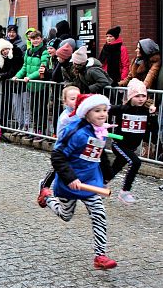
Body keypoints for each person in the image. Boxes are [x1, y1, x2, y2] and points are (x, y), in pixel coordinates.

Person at [38, 93, 118, 270]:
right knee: (66, 215)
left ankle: (100, 256)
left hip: (91, 182)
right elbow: (57, 155)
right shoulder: (75, 132)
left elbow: (100, 154)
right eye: (97, 110)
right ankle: (47, 197)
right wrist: (70, 177)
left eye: (105, 110)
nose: (103, 114)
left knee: (99, 214)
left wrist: (106, 176)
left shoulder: (100, 130)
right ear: (86, 113)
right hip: (70, 182)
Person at [106, 79, 158, 204]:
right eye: (137, 96)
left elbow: (153, 130)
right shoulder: (123, 109)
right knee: (135, 162)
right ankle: (125, 191)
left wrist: (153, 115)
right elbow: (105, 110)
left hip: (132, 147)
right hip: (119, 144)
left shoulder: (146, 112)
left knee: (115, 168)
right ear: (130, 97)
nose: (140, 99)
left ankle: (100, 184)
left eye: (143, 96)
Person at [39, 85, 81, 199]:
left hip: (75, 147)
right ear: (65, 102)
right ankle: (44, 184)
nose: (76, 101)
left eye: (78, 98)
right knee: (57, 167)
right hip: (63, 147)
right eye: (72, 99)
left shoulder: (81, 113)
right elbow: (63, 135)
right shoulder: (65, 117)